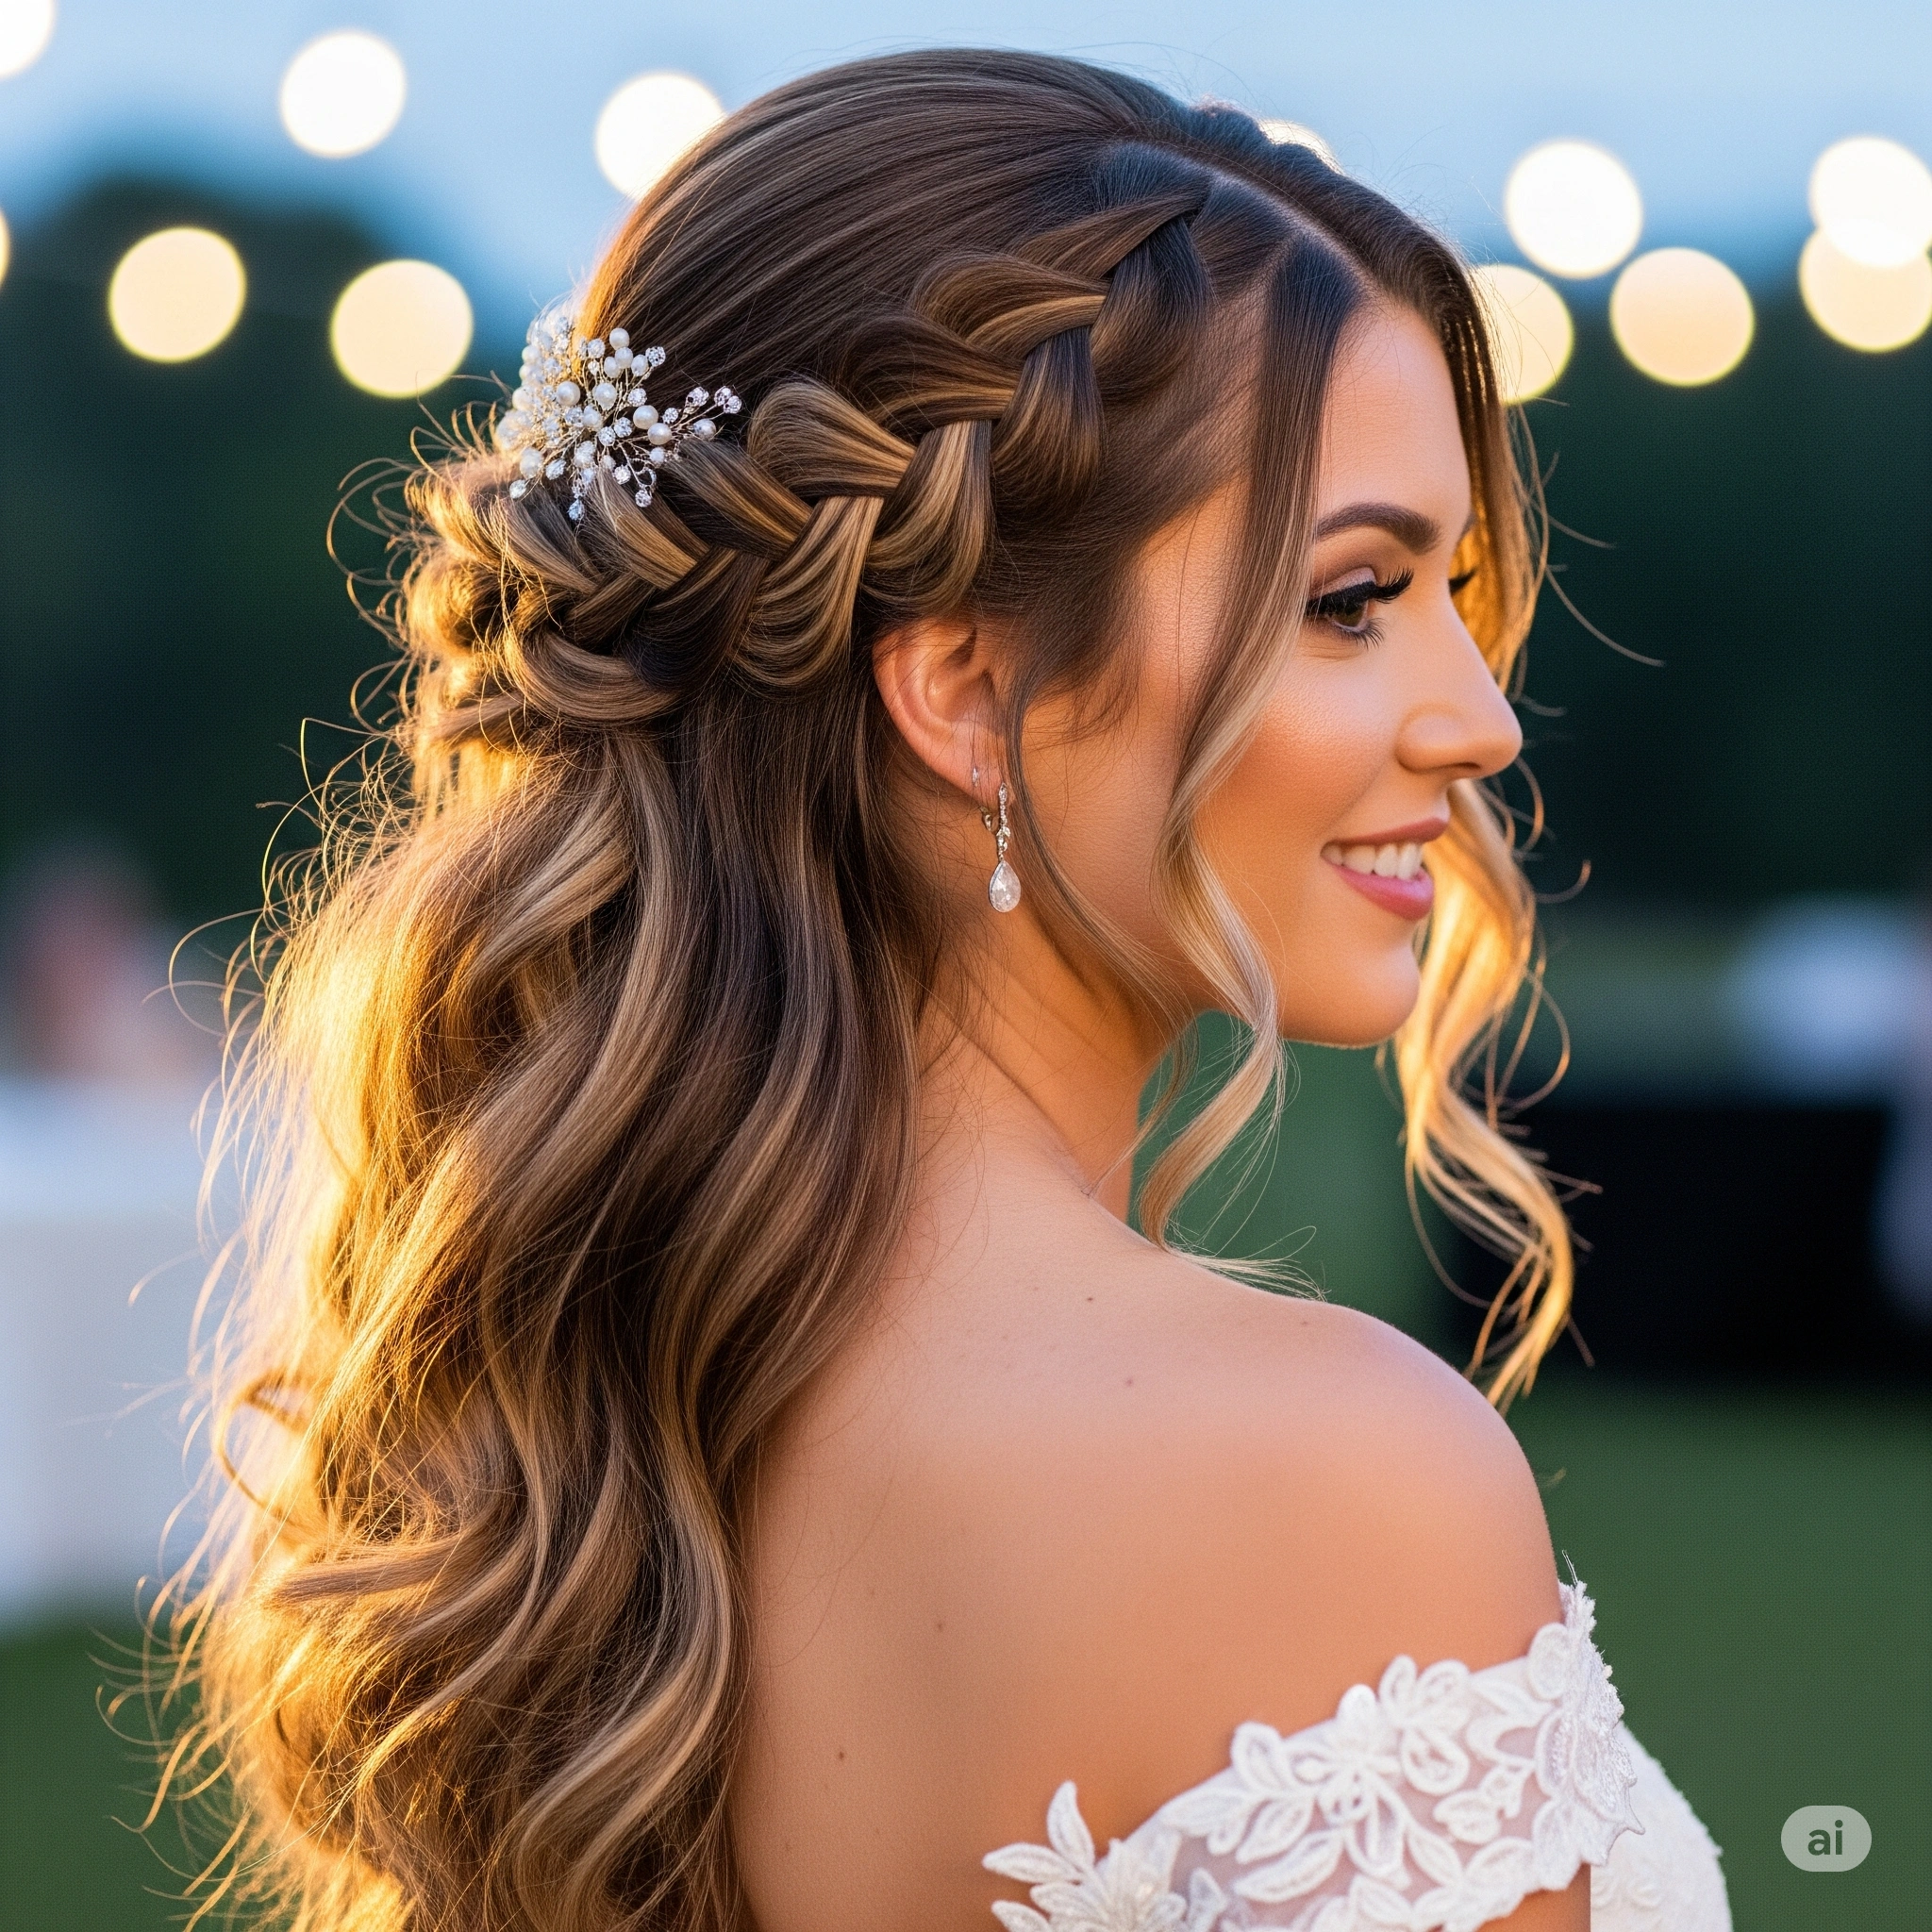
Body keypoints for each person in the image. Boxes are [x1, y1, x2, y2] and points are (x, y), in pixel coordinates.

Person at [186, 49, 1731, 1932]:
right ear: (967, 692)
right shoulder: (1340, 1482)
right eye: (1349, 598)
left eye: (1451, 586)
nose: (1476, 713)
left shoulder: (602, 1417)